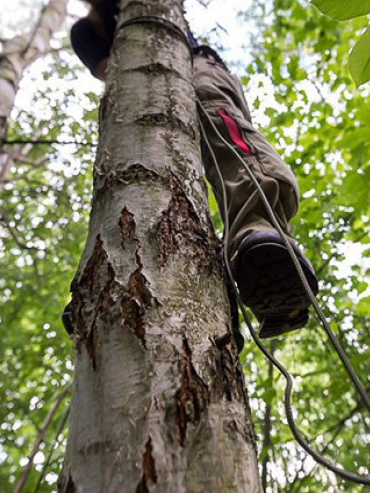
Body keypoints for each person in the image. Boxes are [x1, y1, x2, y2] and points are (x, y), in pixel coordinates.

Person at [69, 0, 319, 343]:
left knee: (225, 135)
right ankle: (127, 278)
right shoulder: (85, 31)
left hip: (196, 65)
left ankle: (260, 238)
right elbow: (108, 69)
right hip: (134, 93)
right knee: (128, 168)